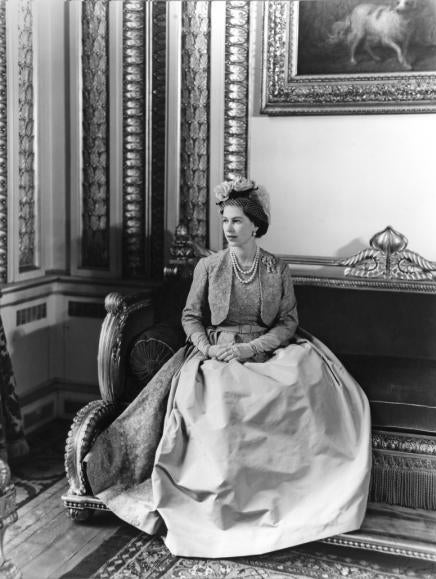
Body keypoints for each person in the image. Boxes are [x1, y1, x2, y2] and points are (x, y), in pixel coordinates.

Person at [86, 177, 371, 558]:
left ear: (256, 225)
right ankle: (220, 503)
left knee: (301, 381)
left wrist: (253, 347)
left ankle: (289, 499)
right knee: (216, 398)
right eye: (225, 221)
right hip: (216, 352)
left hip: (267, 349)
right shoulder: (209, 266)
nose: (229, 229)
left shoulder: (276, 269)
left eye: (237, 221)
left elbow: (287, 322)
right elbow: (190, 317)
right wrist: (206, 347)